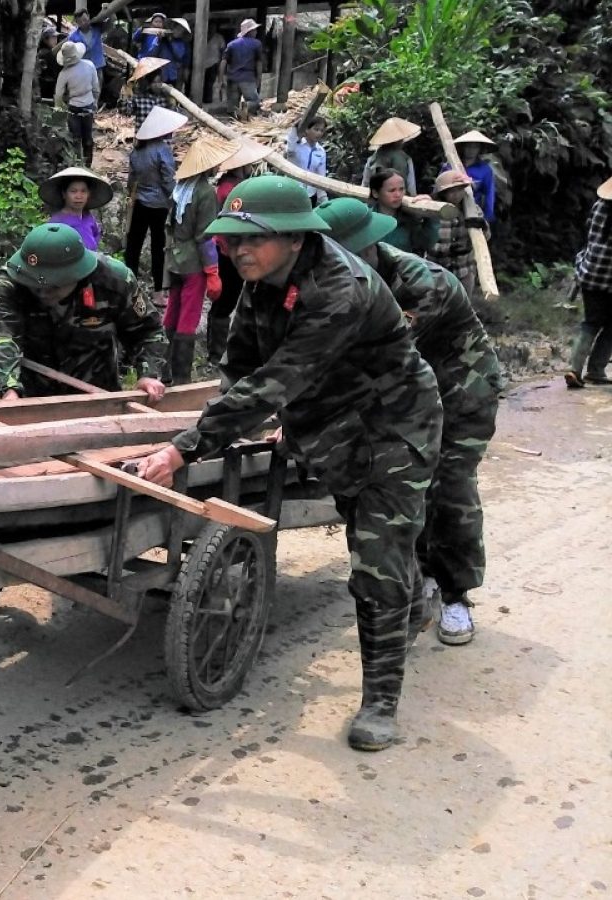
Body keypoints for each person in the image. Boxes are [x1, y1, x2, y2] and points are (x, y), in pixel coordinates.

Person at [131, 175, 443, 751]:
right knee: (378, 542)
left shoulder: (338, 288)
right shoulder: (263, 281)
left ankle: (380, 699)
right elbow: (242, 363)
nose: (239, 249)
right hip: (329, 426)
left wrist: (185, 447)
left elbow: (278, 379)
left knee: (374, 562)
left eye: (256, 238)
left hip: (392, 426)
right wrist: (231, 417)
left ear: (298, 238)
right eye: (232, 239)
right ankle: (413, 589)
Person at [317, 196, 505, 647]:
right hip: (404, 392)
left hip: (460, 388)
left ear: (367, 247)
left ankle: (456, 595)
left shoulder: (423, 285)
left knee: (450, 486)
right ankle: (420, 577)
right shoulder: (337, 281)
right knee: (399, 487)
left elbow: (375, 358)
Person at [0, 223, 168, 399]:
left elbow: (147, 331)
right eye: (35, 286)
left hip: (97, 393)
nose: (42, 293)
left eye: (52, 287)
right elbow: (3, 337)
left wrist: (148, 374)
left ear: (76, 276)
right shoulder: (11, 282)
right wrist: (9, 388)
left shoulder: (114, 280)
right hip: (31, 395)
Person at [163, 135, 238, 383]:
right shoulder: (205, 192)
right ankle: (182, 376)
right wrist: (212, 271)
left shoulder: (180, 187)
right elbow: (205, 237)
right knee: (189, 315)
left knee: (172, 311)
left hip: (174, 257)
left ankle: (164, 370)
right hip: (193, 262)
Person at [206, 140, 272, 365]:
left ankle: (216, 349)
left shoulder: (229, 185)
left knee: (225, 300)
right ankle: (216, 352)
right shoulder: (232, 190)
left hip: (225, 246)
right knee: (226, 300)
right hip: (228, 249)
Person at [126, 105, 187, 303]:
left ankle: (130, 286)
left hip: (140, 203)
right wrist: (175, 200)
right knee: (158, 247)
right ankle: (158, 292)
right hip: (159, 205)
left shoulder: (137, 151)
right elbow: (168, 180)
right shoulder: (162, 150)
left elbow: (131, 179)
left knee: (134, 245)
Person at [566, 176, 612, 389]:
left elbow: (589, 236)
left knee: (591, 322)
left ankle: (574, 369)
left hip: (591, 272)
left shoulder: (599, 206)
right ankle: (596, 369)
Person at [427, 169, 482, 298]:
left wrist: (482, 227)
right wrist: (449, 249)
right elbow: (427, 242)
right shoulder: (433, 211)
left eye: (460, 189)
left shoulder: (473, 210)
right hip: (437, 270)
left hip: (464, 269)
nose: (457, 194)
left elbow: (484, 238)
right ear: (443, 192)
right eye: (452, 191)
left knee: (463, 308)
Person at [368, 170, 439, 256]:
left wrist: (430, 214)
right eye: (391, 190)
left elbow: (426, 244)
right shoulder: (365, 220)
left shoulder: (409, 219)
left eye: (401, 189)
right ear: (375, 193)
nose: (398, 195)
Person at [41, 166, 113, 251]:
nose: (79, 196)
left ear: (88, 194)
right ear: (64, 194)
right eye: (73, 191)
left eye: (83, 191)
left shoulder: (88, 218)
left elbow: (96, 236)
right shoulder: (55, 224)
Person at [53, 41, 101, 163]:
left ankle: (77, 163)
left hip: (73, 106)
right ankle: (88, 164)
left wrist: (61, 106)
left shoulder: (64, 73)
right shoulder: (90, 65)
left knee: (75, 138)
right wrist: (95, 101)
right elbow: (96, 87)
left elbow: (58, 94)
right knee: (88, 137)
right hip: (89, 104)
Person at [440, 131, 498, 223]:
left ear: (480, 149)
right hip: (449, 210)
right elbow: (438, 189)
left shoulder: (485, 170)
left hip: (473, 212)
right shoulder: (449, 166)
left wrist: (487, 219)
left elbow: (489, 195)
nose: (472, 150)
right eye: (469, 146)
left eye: (475, 147)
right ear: (463, 147)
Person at [361, 117, 420, 193]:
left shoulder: (372, 158)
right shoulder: (406, 159)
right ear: (399, 140)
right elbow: (411, 186)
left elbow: (365, 184)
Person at [222, 18, 263, 121]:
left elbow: (223, 62)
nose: (256, 32)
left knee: (232, 106)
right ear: (250, 31)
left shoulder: (231, 44)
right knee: (255, 101)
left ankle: (233, 123)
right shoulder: (257, 44)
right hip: (248, 78)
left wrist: (221, 78)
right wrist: (259, 78)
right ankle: (246, 107)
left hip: (233, 79)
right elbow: (259, 62)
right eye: (254, 30)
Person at [119, 57, 173, 131]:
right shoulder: (139, 99)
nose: (157, 85)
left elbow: (172, 117)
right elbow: (123, 110)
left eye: (159, 82)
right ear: (148, 84)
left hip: (160, 136)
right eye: (154, 82)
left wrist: (171, 99)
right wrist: (126, 92)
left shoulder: (164, 99)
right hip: (142, 138)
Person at [286, 116, 329, 206]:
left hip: (309, 196)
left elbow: (321, 177)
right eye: (316, 129)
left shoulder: (321, 152)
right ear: (307, 130)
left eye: (321, 130)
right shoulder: (297, 146)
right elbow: (291, 144)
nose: (319, 133)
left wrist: (323, 199)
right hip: (291, 192)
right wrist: (295, 128)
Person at [67, 9, 108, 102]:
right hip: (83, 68)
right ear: (76, 22)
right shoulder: (72, 36)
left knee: (97, 88)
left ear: (89, 17)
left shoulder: (97, 30)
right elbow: (70, 54)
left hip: (97, 65)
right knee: (85, 88)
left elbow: (111, 21)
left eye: (85, 19)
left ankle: (94, 107)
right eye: (80, 21)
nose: (83, 23)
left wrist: (107, 10)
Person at [200, 25, 226, 104]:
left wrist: (222, 62)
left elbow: (223, 50)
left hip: (214, 62)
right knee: (202, 83)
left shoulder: (219, 37)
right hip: (201, 63)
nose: (212, 29)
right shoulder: (202, 35)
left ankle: (208, 100)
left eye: (213, 27)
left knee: (209, 83)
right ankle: (201, 99)